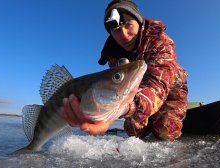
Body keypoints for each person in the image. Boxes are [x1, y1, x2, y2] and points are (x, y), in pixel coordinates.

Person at [62, 0, 188, 141]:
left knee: (165, 132)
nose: (124, 36)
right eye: (116, 30)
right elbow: (117, 90)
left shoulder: (161, 41)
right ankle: (152, 121)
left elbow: (157, 85)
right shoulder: (113, 55)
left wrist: (126, 109)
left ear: (139, 22)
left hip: (168, 92)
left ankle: (177, 117)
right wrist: (106, 120)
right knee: (134, 133)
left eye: (128, 25)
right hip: (132, 98)